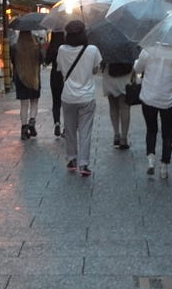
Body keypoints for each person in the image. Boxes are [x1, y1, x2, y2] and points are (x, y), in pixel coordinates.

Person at [56, 20, 101, 177]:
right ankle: (84, 163)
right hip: (87, 96)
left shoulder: (61, 50)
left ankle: (71, 159)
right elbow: (95, 70)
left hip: (68, 96)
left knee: (69, 129)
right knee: (85, 131)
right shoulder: (92, 50)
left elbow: (60, 69)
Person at [133, 46, 172, 178]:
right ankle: (164, 166)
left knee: (151, 129)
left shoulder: (147, 51)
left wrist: (138, 62)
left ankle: (151, 160)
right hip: (167, 99)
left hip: (149, 97)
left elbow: (137, 69)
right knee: (167, 133)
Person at [12, 30, 43, 140]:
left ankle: (24, 129)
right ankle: (32, 122)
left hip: (20, 77)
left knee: (24, 105)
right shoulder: (36, 47)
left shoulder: (15, 48)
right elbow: (41, 61)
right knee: (34, 102)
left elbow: (13, 62)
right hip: (34, 77)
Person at [102, 61, 134, 149]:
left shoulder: (108, 52)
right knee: (125, 108)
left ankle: (116, 135)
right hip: (126, 74)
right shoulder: (128, 51)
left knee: (113, 106)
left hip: (109, 72)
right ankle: (124, 139)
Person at [44, 31, 65, 137]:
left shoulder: (52, 48)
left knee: (56, 102)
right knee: (66, 102)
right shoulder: (66, 47)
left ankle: (57, 123)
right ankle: (66, 127)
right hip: (65, 76)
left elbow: (46, 61)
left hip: (55, 76)